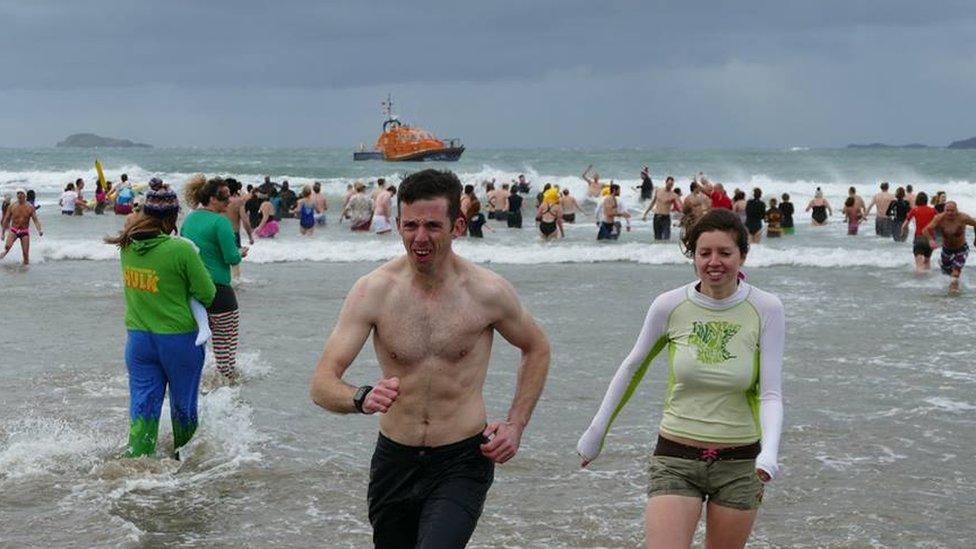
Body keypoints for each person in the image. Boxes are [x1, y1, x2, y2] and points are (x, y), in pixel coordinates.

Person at [309, 169, 550, 548]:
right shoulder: (374, 291)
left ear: (456, 225)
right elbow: (322, 383)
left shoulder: (487, 292)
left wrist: (516, 424)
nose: (419, 238)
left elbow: (536, 347)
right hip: (395, 461)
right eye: (410, 226)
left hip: (462, 459)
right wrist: (360, 397)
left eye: (433, 226)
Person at [577, 208, 783, 548]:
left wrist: (770, 453)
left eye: (725, 253)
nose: (714, 261)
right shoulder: (669, 305)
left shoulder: (766, 308)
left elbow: (770, 393)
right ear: (693, 255)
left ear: (742, 255)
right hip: (676, 456)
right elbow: (632, 368)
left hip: (740, 463)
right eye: (705, 253)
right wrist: (597, 431)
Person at [105, 181, 216, 458]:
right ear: (170, 217)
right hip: (179, 339)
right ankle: (185, 466)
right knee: (183, 406)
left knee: (142, 407)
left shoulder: (127, 245)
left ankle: (137, 467)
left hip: (139, 340)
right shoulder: (181, 250)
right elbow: (208, 293)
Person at [181, 176, 247, 381]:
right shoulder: (221, 222)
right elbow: (230, 257)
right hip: (219, 292)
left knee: (194, 344)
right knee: (225, 349)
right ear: (211, 198)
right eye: (224, 197)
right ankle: (227, 388)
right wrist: (240, 252)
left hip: (192, 292)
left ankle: (196, 384)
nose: (229, 201)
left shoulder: (189, 219)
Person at [923, 201, 976, 293]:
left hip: (961, 248)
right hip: (947, 249)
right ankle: (946, 270)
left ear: (956, 210)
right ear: (944, 210)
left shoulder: (963, 217)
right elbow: (926, 230)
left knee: (955, 273)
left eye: (952, 210)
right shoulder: (939, 218)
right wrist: (930, 240)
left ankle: (953, 292)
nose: (950, 213)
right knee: (947, 273)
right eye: (947, 210)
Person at [0, 189, 43, 265]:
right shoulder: (12, 206)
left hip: (24, 231)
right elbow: (6, 220)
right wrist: (2, 233)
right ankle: (4, 254)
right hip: (14, 230)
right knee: (7, 247)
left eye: (21, 193)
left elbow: (35, 220)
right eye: (18, 193)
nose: (19, 195)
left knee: (25, 254)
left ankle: (25, 270)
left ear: (25, 195)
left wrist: (39, 230)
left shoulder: (30, 207)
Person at [903, 192, 938, 273]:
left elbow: (905, 224)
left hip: (919, 238)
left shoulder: (914, 209)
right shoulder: (933, 210)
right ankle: (929, 282)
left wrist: (903, 232)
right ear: (926, 200)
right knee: (927, 261)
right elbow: (939, 221)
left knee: (919, 264)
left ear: (917, 200)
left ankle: (919, 283)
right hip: (930, 239)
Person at [643, 176, 681, 241]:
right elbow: (653, 203)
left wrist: (681, 219)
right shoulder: (658, 191)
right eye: (669, 184)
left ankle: (665, 251)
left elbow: (680, 207)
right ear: (666, 182)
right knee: (657, 239)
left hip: (666, 218)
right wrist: (645, 213)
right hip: (657, 217)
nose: (670, 186)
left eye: (671, 185)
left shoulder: (674, 195)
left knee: (667, 238)